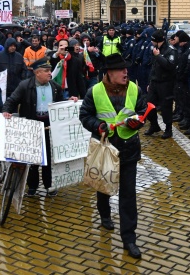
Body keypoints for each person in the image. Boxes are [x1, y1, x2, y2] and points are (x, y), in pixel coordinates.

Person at [79, 53, 148, 259]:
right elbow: (84, 115)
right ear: (109, 73)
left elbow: (143, 110)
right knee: (104, 186)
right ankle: (105, 214)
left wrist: (139, 121)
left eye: (126, 69)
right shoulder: (95, 91)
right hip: (105, 148)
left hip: (128, 149)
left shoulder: (135, 89)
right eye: (121, 69)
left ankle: (129, 239)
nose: (126, 72)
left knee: (128, 196)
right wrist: (98, 126)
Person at [2, 58, 73, 197]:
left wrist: (70, 102)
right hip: (31, 125)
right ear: (37, 73)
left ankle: (48, 185)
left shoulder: (55, 86)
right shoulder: (25, 85)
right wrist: (6, 111)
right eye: (46, 71)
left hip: (47, 125)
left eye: (49, 71)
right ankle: (32, 186)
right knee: (32, 157)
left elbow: (60, 104)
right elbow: (12, 100)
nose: (49, 73)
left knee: (47, 156)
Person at [144, 29, 178, 139]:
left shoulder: (170, 50)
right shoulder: (156, 49)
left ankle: (168, 129)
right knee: (148, 105)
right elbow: (153, 68)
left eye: (153, 40)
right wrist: (150, 82)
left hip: (165, 83)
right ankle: (154, 125)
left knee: (166, 107)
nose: (151, 42)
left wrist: (158, 56)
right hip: (154, 82)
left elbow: (170, 66)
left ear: (158, 41)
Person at [0, 38, 26, 111]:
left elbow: (24, 69)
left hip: (15, 87)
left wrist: (22, 80)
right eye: (11, 46)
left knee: (14, 106)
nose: (13, 47)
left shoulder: (19, 56)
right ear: (7, 46)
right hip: (1, 87)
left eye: (14, 46)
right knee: (1, 105)